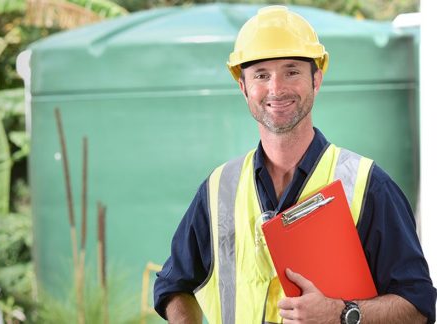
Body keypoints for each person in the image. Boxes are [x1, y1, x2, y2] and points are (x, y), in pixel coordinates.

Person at [153, 5, 436, 324]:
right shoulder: (219, 189)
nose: (276, 88)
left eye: (291, 71)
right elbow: (172, 285)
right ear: (243, 86)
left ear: (316, 78)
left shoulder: (368, 185)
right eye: (261, 75)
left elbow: (418, 309)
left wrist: (340, 313)